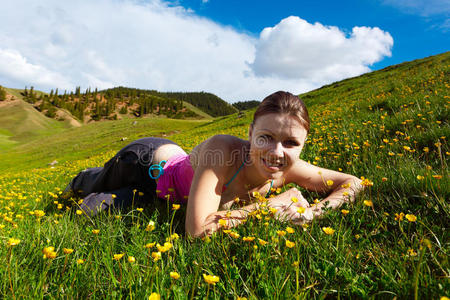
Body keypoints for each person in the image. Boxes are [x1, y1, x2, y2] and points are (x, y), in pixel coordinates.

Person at [62, 91, 362, 237]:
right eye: (266, 138)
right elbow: (197, 231)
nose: (276, 152)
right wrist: (270, 207)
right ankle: (79, 181)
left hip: (161, 195)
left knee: (93, 209)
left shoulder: (290, 168)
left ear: (303, 145)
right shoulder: (223, 149)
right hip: (146, 161)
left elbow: (353, 182)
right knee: (92, 183)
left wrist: (313, 211)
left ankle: (98, 197)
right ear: (250, 134)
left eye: (291, 143)